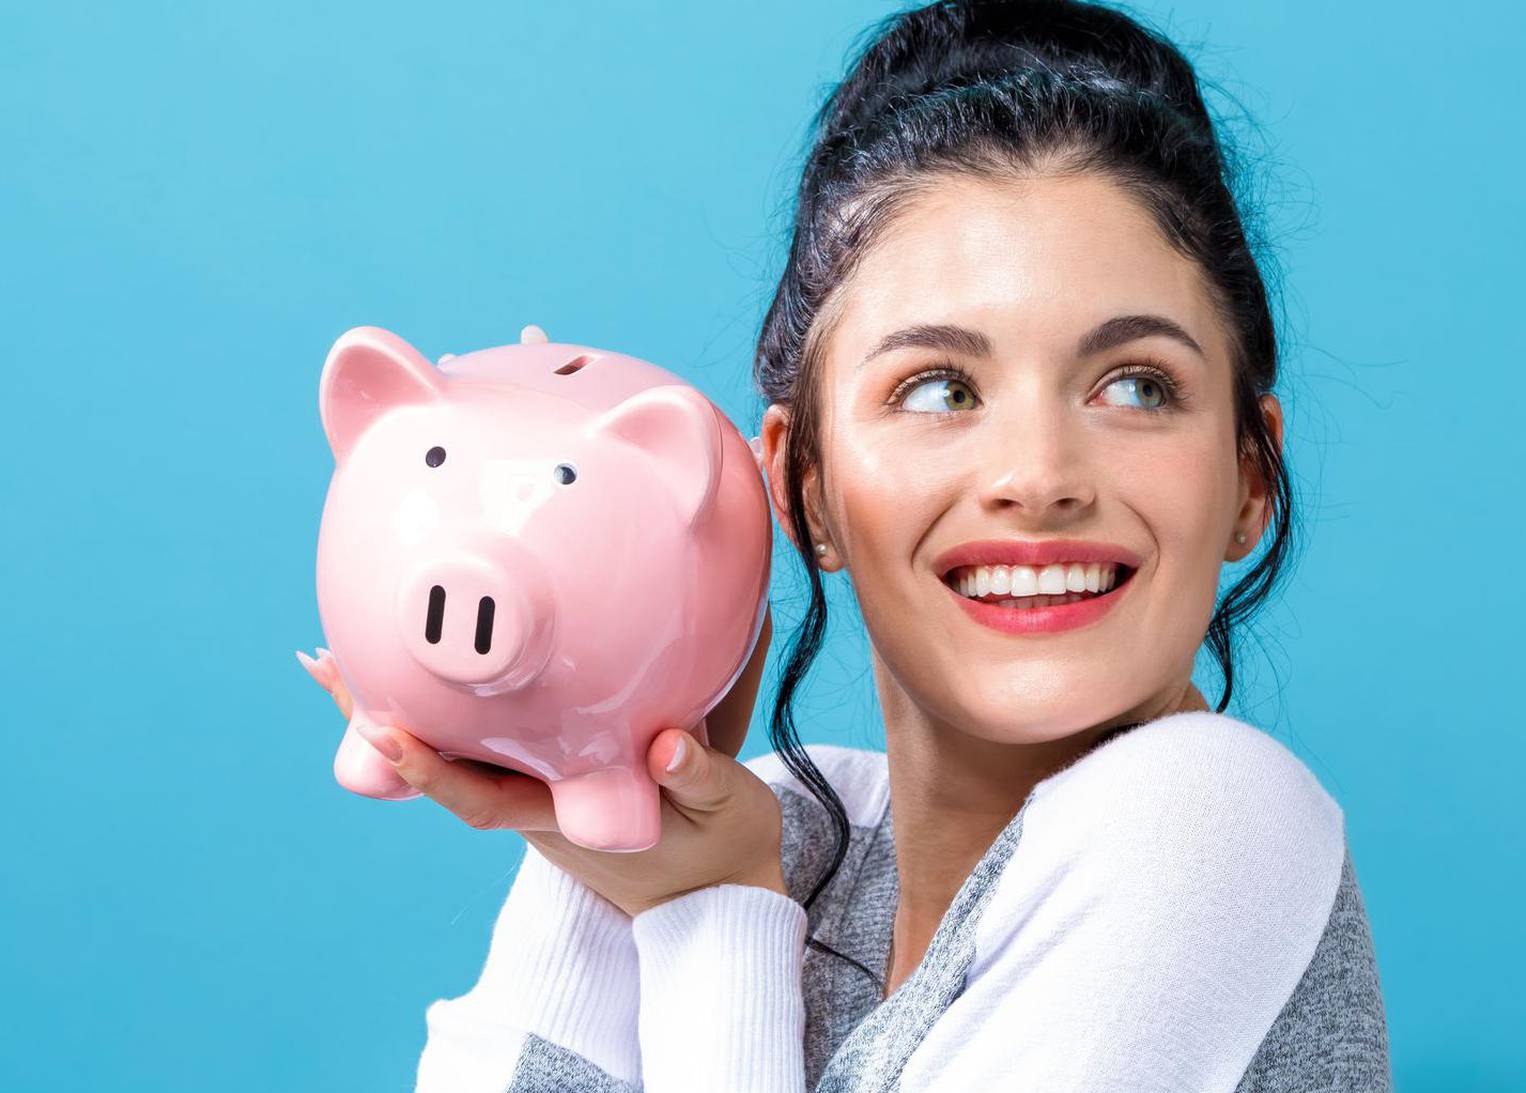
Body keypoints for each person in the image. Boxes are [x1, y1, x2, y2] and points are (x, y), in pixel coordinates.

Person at [305, 1, 1392, 1088]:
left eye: (1135, 385)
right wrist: (603, 759)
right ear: (802, 487)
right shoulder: (788, 836)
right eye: (937, 387)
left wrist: (705, 917)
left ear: (1251, 476)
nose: (1039, 476)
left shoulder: (1204, 821)